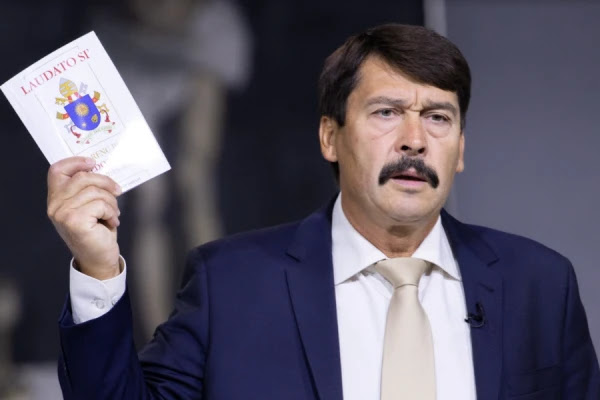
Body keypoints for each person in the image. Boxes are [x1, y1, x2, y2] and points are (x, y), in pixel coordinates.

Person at [47, 24, 599, 399]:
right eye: (387, 112)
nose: (415, 140)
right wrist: (97, 271)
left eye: (438, 117)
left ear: (460, 149)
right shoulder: (232, 284)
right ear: (330, 137)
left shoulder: (540, 284)